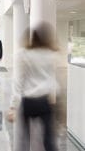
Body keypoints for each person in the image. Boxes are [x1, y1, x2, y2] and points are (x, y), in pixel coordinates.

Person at [7, 22, 59, 151]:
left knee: (24, 140)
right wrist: (54, 96)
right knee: (49, 140)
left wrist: (13, 106)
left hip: (29, 101)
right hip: (45, 100)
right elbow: (52, 79)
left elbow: (18, 81)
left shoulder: (23, 54)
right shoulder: (50, 54)